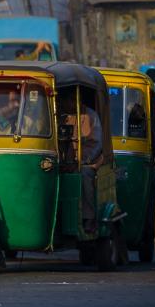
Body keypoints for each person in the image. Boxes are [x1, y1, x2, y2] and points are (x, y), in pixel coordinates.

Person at [59, 94, 103, 232]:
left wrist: (81, 161)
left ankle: (88, 217)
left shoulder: (90, 116)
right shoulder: (60, 115)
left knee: (84, 175)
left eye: (69, 100)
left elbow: (96, 145)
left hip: (87, 162)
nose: (66, 104)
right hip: (64, 160)